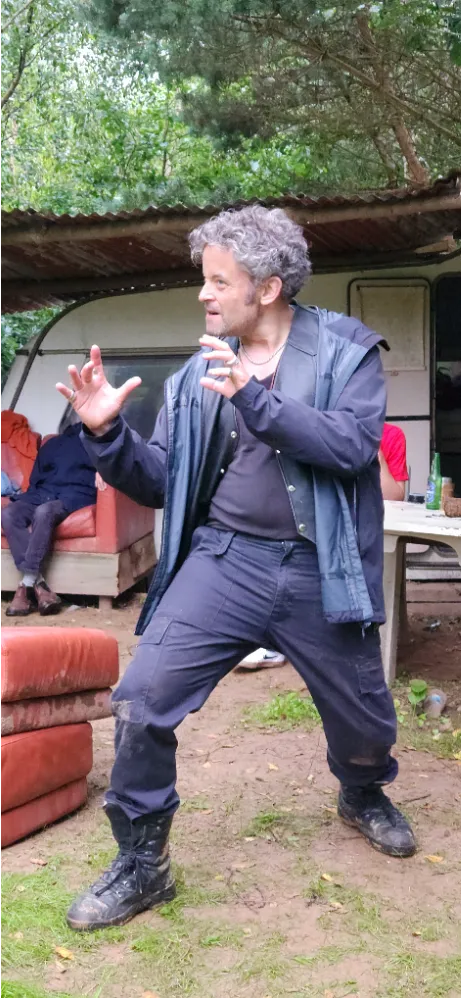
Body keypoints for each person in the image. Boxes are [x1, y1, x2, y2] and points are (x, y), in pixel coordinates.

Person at [56, 205, 416, 933]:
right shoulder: (199, 373)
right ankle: (142, 861)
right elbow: (161, 480)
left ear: (269, 287)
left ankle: (361, 789)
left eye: (218, 281)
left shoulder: (347, 353)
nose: (203, 295)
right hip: (224, 562)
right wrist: (104, 432)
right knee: (141, 699)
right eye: (203, 280)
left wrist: (253, 397)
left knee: (364, 720)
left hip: (322, 568)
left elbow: (350, 448)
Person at [241, 421, 409, 669]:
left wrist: (375, 453)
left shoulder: (391, 435)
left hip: (367, 524)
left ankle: (351, 644)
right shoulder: (321, 428)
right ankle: (273, 643)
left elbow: (395, 495)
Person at [1, 422, 97, 616]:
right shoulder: (51, 446)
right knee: (8, 513)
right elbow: (35, 480)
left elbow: (112, 469)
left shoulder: (97, 445)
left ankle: (25, 585)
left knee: (44, 512)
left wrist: (104, 475)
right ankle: (39, 585)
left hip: (72, 494)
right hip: (41, 493)